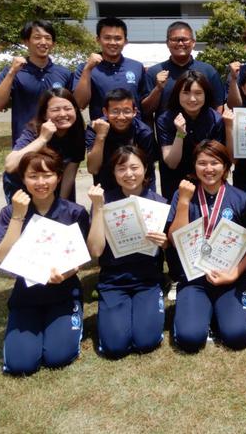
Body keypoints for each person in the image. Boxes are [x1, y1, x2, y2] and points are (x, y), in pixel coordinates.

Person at [0, 149, 90, 375]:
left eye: (47, 175)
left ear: (58, 176)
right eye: (33, 176)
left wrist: (66, 274)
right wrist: (18, 215)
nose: (41, 182)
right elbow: (3, 258)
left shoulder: (75, 212)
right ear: (23, 179)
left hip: (64, 294)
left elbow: (79, 258)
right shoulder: (9, 213)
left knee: (58, 357)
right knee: (21, 365)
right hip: (26, 296)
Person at [166, 141, 246, 351]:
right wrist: (184, 203)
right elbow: (173, 238)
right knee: (190, 340)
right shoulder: (182, 194)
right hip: (193, 278)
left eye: (214, 163)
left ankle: (218, 316)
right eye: (202, 163)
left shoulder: (241, 198)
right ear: (194, 167)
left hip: (228, 278)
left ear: (225, 166)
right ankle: (203, 314)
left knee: (237, 337)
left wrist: (234, 274)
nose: (208, 169)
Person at [87, 146, 168, 358]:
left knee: (146, 342)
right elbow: (95, 250)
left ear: (145, 169)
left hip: (148, 280)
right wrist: (98, 209)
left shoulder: (159, 203)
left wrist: (165, 242)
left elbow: (170, 246)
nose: (129, 174)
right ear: (113, 173)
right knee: (115, 347)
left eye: (135, 167)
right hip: (113, 281)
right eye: (121, 168)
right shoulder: (105, 201)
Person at [0, 20, 73, 145]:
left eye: (47, 38)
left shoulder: (64, 73)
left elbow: (74, 108)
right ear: (26, 42)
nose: (43, 42)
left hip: (59, 143)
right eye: (37, 37)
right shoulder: (13, 71)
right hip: (25, 142)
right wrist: (12, 72)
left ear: (53, 43)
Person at [4, 88, 85, 202]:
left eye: (68, 109)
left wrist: (61, 205)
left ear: (75, 110)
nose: (63, 114)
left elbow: (70, 174)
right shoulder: (34, 131)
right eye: (55, 110)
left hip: (52, 184)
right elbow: (10, 165)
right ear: (45, 114)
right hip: (23, 187)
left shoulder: (77, 134)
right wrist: (42, 139)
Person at [156, 70, 224, 202]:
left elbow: (217, 160)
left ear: (206, 95)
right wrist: (180, 134)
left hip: (207, 181)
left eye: (198, 93)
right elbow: (172, 163)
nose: (192, 99)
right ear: (177, 94)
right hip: (175, 183)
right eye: (186, 93)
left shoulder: (216, 120)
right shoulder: (165, 119)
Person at [142, 21, 225, 119]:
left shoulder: (208, 71)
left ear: (193, 42)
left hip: (203, 132)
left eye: (184, 39)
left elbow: (219, 105)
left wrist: (215, 128)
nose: (180, 43)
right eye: (175, 40)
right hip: (167, 132)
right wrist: (158, 88)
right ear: (167, 43)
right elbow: (146, 110)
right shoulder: (154, 72)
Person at [72, 17, 147, 122]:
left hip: (133, 132)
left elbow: (144, 104)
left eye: (118, 38)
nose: (112, 42)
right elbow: (80, 103)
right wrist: (88, 69)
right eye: (107, 38)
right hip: (101, 132)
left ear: (125, 41)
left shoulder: (137, 67)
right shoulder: (85, 68)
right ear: (98, 40)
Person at [85, 88, 157, 192]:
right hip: (105, 188)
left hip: (135, 188)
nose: (121, 117)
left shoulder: (143, 132)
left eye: (127, 111)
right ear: (105, 112)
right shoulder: (95, 128)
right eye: (115, 111)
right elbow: (93, 168)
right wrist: (100, 136)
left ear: (134, 112)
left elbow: (148, 171)